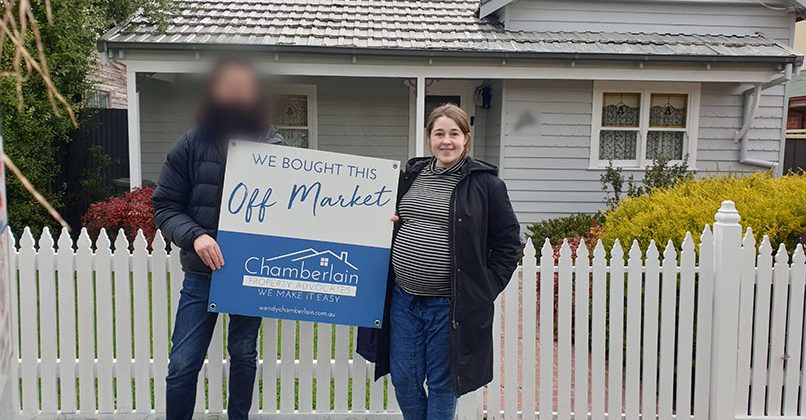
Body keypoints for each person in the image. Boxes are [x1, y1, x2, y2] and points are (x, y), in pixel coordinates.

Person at [357, 104, 521, 420]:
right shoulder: (409, 177)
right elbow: (383, 216)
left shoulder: (486, 185)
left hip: (448, 306)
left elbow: (508, 242)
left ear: (466, 139)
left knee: (443, 385)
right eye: (439, 133)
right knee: (404, 380)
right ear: (429, 137)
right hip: (404, 300)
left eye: (454, 134)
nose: (446, 141)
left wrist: (485, 288)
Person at [151, 56, 284, 420]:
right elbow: (164, 205)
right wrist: (195, 237)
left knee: (243, 355)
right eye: (229, 87)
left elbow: (297, 210)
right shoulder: (190, 144)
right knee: (182, 364)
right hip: (200, 274)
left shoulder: (273, 146)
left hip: (249, 273)